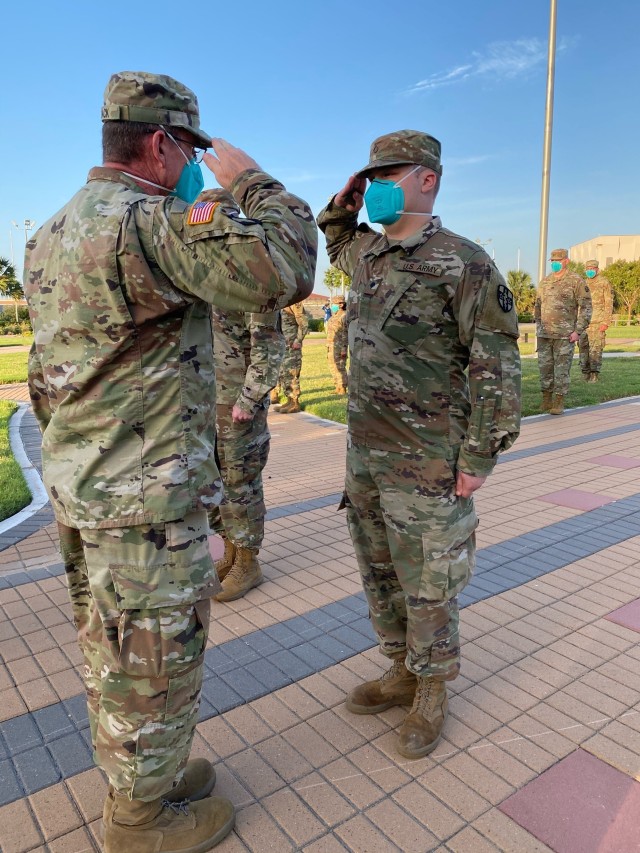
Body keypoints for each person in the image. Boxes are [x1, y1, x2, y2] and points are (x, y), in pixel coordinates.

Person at [24, 70, 316, 853]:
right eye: (191, 147)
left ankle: (143, 775)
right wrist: (251, 180)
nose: (196, 161)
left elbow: (43, 374)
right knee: (155, 659)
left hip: (85, 490)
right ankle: (141, 820)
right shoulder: (148, 221)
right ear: (161, 143)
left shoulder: (52, 231)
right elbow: (285, 270)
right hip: (146, 504)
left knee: (114, 650)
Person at [318, 130, 520, 759]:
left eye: (389, 174)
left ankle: (433, 687)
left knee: (429, 578)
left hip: (430, 456)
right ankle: (401, 667)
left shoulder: (466, 262)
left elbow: (497, 363)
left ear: (427, 180)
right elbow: (335, 237)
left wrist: (480, 455)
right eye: (370, 176)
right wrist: (345, 200)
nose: (377, 185)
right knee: (378, 569)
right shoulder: (370, 257)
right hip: (366, 454)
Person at [209, 278, 285, 601]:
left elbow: (267, 343)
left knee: (240, 480)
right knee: (213, 477)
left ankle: (247, 561)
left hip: (237, 399)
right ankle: (228, 549)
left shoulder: (250, 267)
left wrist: (250, 398)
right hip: (207, 397)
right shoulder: (200, 266)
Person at [535, 249, 592, 414]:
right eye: (552, 260)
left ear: (566, 261)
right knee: (545, 367)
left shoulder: (576, 281)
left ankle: (558, 401)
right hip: (544, 334)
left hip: (565, 335)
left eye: (558, 260)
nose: (554, 263)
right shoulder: (545, 282)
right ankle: (546, 399)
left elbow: (587, 307)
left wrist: (578, 330)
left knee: (561, 369)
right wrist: (538, 325)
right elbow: (538, 305)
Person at [271, 302, 309, 413]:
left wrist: (298, 340)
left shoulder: (294, 303)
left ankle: (295, 402)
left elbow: (304, 323)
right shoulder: (280, 303)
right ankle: (289, 400)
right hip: (282, 345)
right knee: (284, 374)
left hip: (292, 346)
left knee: (292, 373)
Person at [579, 259, 613, 382]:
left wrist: (606, 321)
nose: (590, 271)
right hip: (583, 323)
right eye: (588, 269)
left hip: (597, 322)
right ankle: (585, 373)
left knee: (596, 349)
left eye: (592, 269)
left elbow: (608, 303)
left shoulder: (603, 282)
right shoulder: (583, 283)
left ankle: (594, 374)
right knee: (583, 348)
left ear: (597, 270)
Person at [326, 298, 348, 393]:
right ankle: (337, 386)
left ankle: (342, 387)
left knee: (340, 366)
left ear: (341, 304)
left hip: (339, 346)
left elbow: (345, 332)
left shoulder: (344, 316)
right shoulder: (332, 317)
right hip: (331, 345)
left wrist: (344, 348)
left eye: (334, 304)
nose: (332, 306)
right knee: (332, 366)